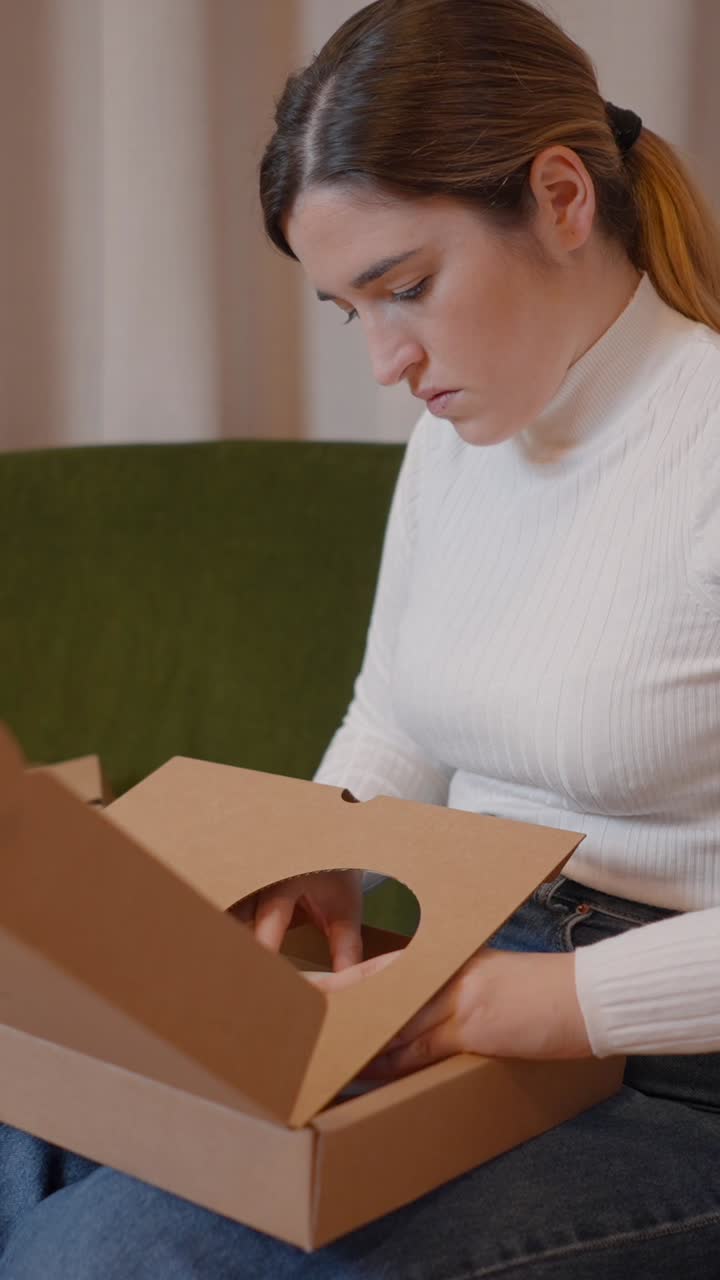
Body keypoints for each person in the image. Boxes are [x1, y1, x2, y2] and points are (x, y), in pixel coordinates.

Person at [2, 0, 719, 1275]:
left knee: (100, 1259)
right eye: (349, 310)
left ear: (562, 196)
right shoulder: (463, 439)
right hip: (462, 982)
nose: (388, 361)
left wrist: (533, 1001)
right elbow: (395, 713)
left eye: (407, 288)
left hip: (666, 1075)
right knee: (33, 1127)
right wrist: (328, 840)